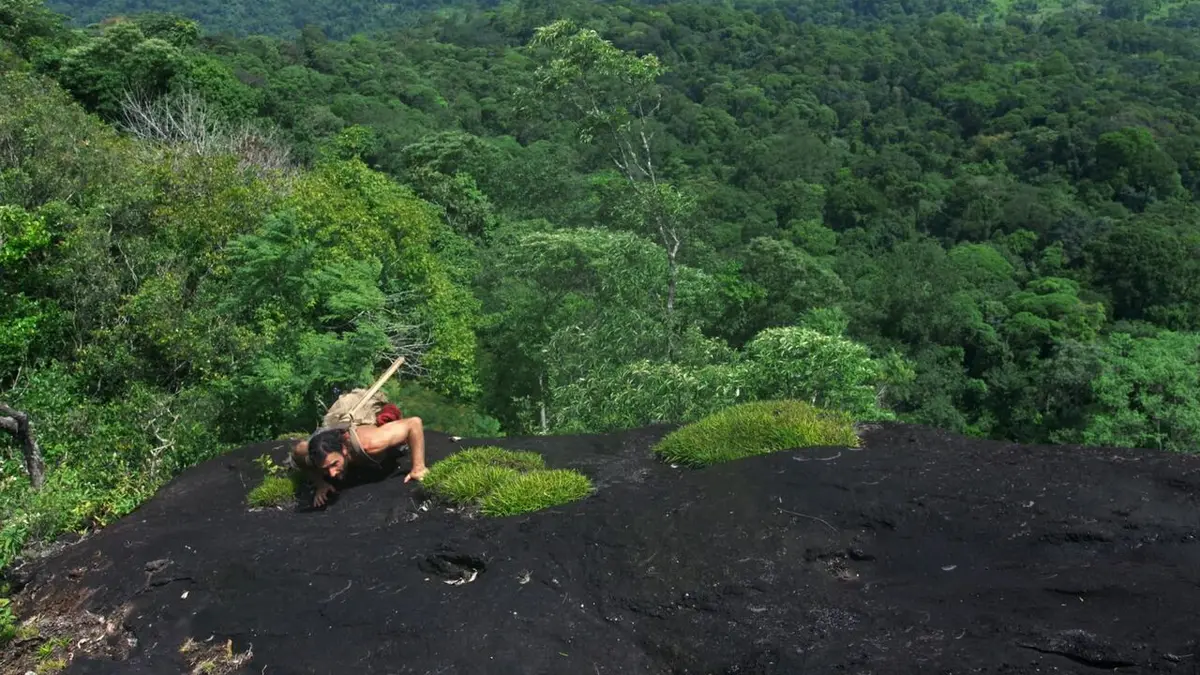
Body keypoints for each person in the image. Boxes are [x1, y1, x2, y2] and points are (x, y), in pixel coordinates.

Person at [290, 408, 429, 508]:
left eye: (334, 464)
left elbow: (414, 423)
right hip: (335, 421)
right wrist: (320, 483)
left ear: (344, 450)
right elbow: (297, 454)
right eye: (325, 469)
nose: (331, 473)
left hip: (362, 415)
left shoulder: (370, 444)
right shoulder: (312, 455)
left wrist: (418, 468)